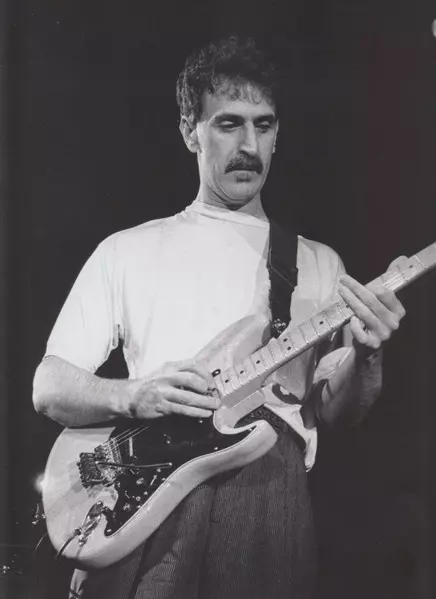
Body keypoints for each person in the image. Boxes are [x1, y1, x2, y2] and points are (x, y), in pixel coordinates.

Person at [33, 36, 406, 599]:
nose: (249, 146)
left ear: (278, 135)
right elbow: (48, 386)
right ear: (191, 131)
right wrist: (132, 395)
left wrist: (369, 355)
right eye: (229, 124)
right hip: (143, 500)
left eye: (264, 125)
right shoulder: (127, 250)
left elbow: (338, 411)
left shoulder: (317, 264)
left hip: (266, 499)